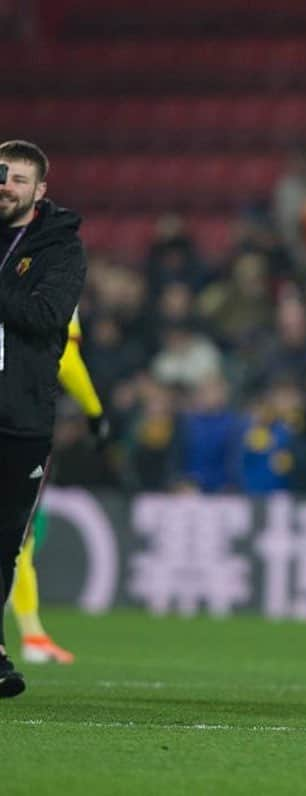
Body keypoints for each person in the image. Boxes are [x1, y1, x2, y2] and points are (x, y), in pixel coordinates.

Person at [0, 140, 87, 697]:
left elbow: (44, 316)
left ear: (39, 192)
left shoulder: (60, 249)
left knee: (5, 539)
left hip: (18, 417)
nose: (6, 187)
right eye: (1, 177)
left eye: (17, 180)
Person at [11, 307, 109, 664]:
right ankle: (32, 635)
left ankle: (33, 632)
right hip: (18, 425)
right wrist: (95, 412)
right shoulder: (53, 272)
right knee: (17, 535)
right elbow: (66, 359)